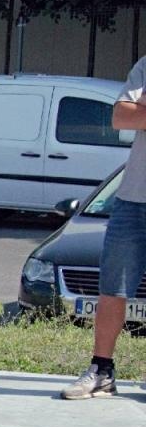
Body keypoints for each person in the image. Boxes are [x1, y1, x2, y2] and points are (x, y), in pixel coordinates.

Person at [65, 55, 146, 399]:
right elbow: (120, 116)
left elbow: (136, 113)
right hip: (132, 198)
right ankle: (102, 370)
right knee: (113, 286)